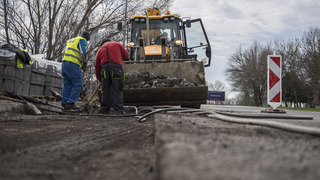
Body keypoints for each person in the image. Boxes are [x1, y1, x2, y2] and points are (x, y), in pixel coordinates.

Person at [95, 39, 128, 114]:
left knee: (105, 89)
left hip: (104, 69)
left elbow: (97, 66)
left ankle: (104, 110)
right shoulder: (117, 44)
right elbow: (126, 55)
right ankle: (119, 110)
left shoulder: (100, 50)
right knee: (117, 88)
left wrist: (100, 78)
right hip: (116, 68)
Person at [61, 31, 90, 110]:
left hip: (64, 63)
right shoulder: (81, 40)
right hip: (73, 64)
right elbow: (82, 52)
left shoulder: (70, 40)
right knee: (78, 83)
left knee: (67, 84)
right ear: (86, 38)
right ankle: (70, 102)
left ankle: (65, 102)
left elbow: (63, 52)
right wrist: (84, 63)